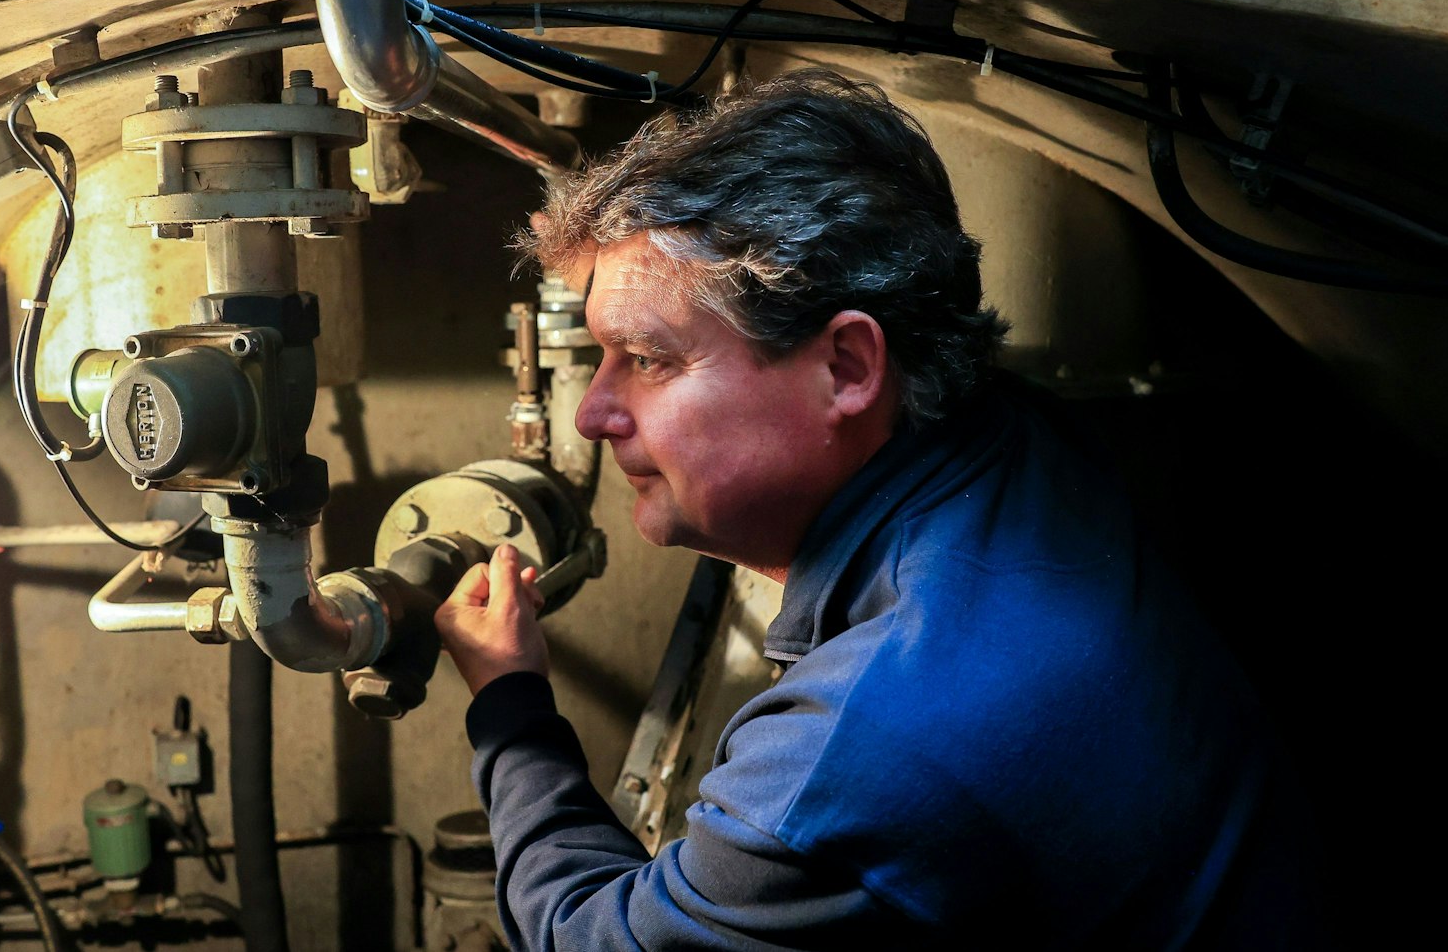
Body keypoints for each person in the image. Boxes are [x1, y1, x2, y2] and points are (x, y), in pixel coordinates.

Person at [432, 70, 1325, 950]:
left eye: (648, 359)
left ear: (848, 367)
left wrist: (512, 704)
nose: (592, 414)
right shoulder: (1011, 435)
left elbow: (589, 936)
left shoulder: (867, 745)